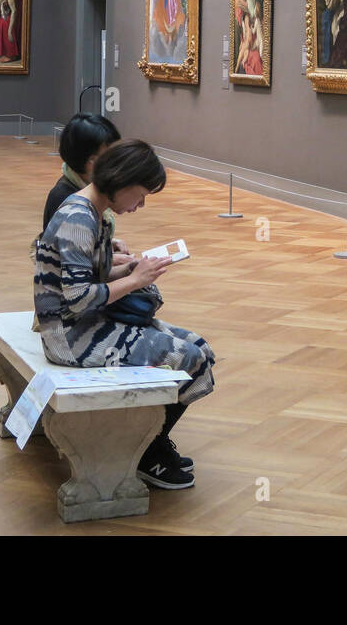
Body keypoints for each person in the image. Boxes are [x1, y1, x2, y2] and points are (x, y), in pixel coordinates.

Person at [34, 140, 216, 491]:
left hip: (88, 323)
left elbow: (91, 281)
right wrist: (135, 280)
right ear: (121, 180)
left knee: (201, 349)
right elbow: (78, 300)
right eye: (141, 194)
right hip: (70, 338)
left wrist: (133, 270)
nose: (141, 204)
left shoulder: (92, 212)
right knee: (188, 358)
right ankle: (145, 452)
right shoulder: (78, 218)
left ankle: (148, 443)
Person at [43, 113, 122, 231]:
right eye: (111, 155)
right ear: (92, 161)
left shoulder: (85, 185)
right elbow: (72, 246)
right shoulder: (66, 199)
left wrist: (109, 243)